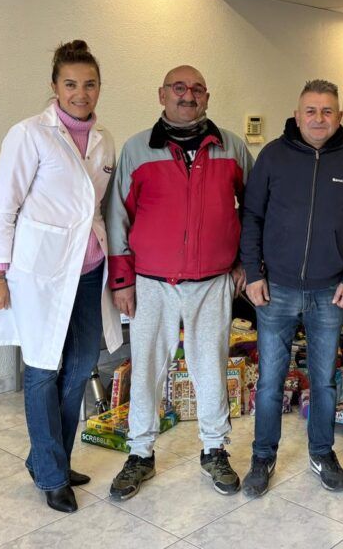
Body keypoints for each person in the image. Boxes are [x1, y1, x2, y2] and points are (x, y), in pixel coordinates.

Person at [0, 40, 122, 513]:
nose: (81, 93)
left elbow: (98, 208)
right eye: (71, 84)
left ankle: (48, 457)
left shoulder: (105, 139)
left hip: (88, 271)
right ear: (54, 86)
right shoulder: (29, 135)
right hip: (39, 272)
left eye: (89, 84)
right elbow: (3, 205)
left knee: (82, 365)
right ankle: (51, 471)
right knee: (43, 368)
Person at [106, 65, 253, 500]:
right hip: (152, 282)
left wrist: (248, 260)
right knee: (148, 366)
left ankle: (214, 449)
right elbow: (117, 216)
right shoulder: (136, 150)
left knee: (210, 366)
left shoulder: (233, 147)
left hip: (212, 281)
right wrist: (122, 279)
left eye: (196, 89)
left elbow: (256, 207)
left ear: (207, 97)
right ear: (161, 95)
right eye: (178, 88)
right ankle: (140, 454)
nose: (187, 95)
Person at [239, 79, 343, 497]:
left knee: (324, 379)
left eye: (327, 111)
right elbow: (252, 218)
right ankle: (263, 456)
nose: (319, 119)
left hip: (329, 292)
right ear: (297, 115)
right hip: (275, 288)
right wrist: (253, 273)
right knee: (269, 381)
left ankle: (322, 450)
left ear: (339, 117)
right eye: (311, 111)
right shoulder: (273, 157)